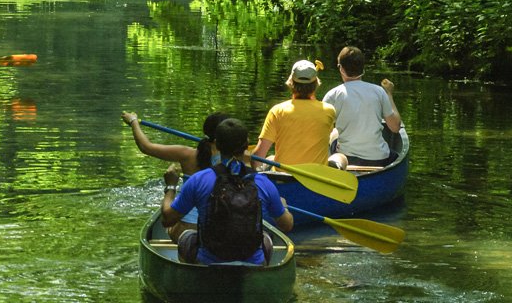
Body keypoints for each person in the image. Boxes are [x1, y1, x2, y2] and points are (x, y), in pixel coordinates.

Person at [160, 118, 293, 265]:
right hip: (253, 263)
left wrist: (171, 186)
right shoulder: (262, 183)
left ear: (216, 144)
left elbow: (168, 220)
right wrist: (283, 206)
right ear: (247, 145)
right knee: (266, 238)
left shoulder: (199, 180)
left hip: (207, 262)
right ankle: (257, 270)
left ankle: (194, 275)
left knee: (187, 236)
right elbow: (286, 225)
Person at [121, 111, 230, 240]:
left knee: (169, 221)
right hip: (220, 231)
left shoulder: (187, 155)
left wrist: (133, 121)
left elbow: (146, 147)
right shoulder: (238, 159)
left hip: (186, 230)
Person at [253, 60, 348, 170]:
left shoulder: (277, 111)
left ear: (290, 83)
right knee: (341, 157)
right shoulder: (328, 110)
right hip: (317, 177)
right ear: (316, 84)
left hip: (284, 177)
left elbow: (257, 158)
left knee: (270, 158)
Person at [322, 46, 402, 167]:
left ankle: (336, 167)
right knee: (395, 155)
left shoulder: (332, 95)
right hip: (379, 159)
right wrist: (389, 94)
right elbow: (395, 127)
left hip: (346, 159)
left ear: (341, 68)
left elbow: (320, 131)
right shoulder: (379, 92)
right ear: (362, 68)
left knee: (334, 133)